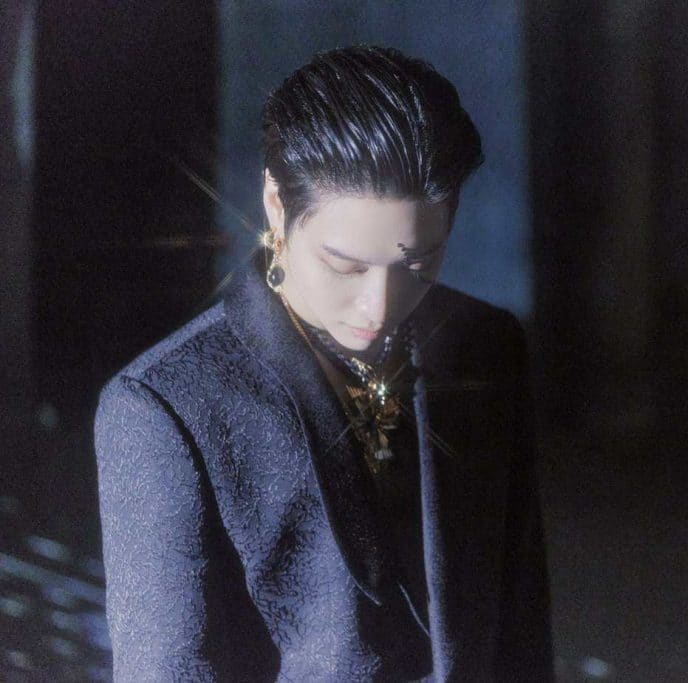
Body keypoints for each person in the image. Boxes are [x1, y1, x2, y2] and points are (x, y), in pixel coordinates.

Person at [93, 45, 553, 682]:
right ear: (276, 206)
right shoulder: (163, 408)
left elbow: (522, 635)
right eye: (345, 265)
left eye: (419, 263)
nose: (379, 306)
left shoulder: (488, 346)